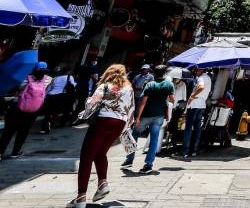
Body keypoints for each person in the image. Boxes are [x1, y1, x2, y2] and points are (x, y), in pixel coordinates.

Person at [67, 64, 134, 208]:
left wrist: (83, 113)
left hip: (103, 121)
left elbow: (93, 102)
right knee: (101, 153)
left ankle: (81, 197)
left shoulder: (105, 85)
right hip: (119, 123)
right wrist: (126, 127)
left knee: (86, 157)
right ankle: (103, 183)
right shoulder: (129, 88)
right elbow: (131, 109)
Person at [122, 64, 174, 172]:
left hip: (146, 115)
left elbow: (143, 102)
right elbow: (172, 99)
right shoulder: (169, 84)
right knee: (154, 139)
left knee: (134, 134)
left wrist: (137, 118)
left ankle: (129, 159)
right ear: (165, 74)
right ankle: (148, 164)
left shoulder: (150, 84)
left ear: (154, 73)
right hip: (159, 116)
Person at [0, 62, 51, 159]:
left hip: (17, 107)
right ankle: (15, 152)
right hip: (34, 109)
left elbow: (14, 90)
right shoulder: (48, 79)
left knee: (9, 131)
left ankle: (0, 152)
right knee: (24, 131)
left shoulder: (23, 78)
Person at [179, 67, 211, 158]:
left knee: (188, 127)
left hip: (195, 104)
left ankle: (185, 150)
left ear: (202, 70)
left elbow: (201, 87)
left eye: (197, 70)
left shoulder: (201, 78)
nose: (195, 72)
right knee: (197, 128)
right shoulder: (208, 78)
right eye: (195, 70)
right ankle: (194, 150)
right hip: (201, 104)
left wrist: (192, 95)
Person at [40, 67, 76, 133]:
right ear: (68, 72)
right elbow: (73, 86)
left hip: (50, 96)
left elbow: (48, 89)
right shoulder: (70, 77)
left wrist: (44, 97)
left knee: (48, 113)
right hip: (60, 96)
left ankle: (44, 128)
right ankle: (52, 124)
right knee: (56, 112)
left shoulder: (55, 78)